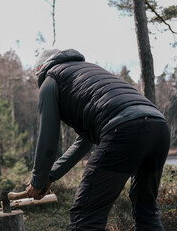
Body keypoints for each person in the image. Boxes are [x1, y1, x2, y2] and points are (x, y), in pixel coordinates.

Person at [25, 48, 170, 231]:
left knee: (85, 217)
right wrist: (50, 175)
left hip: (123, 129)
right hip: (158, 127)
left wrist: (37, 181)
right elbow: (84, 142)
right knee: (146, 209)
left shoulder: (50, 80)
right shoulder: (87, 71)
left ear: (40, 69)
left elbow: (48, 140)